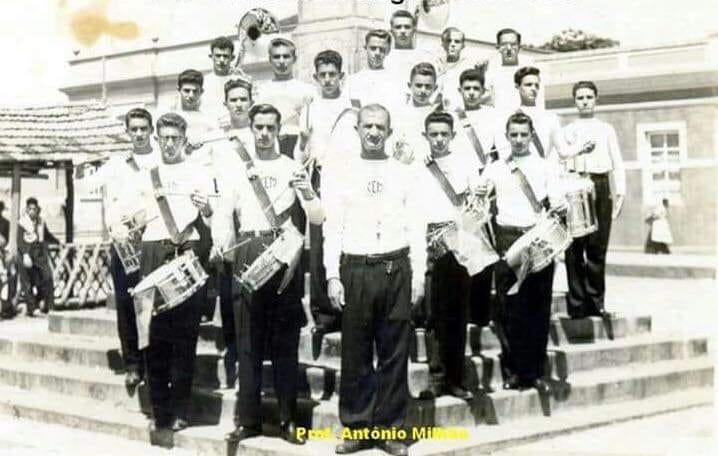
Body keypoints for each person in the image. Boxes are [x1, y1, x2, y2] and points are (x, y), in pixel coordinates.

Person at [219, 104, 324, 448]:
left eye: (270, 127)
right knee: (247, 344)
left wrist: (306, 190)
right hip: (249, 251)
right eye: (259, 127)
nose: (264, 133)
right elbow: (225, 214)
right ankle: (248, 420)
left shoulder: (292, 167)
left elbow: (317, 216)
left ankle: (288, 419)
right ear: (250, 128)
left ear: (279, 130)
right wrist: (223, 245)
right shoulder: (238, 170)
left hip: (283, 255)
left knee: (284, 345)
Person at [323, 104, 426, 456]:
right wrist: (333, 275)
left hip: (396, 268)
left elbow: (417, 226)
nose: (373, 132)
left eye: (380, 126)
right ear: (357, 130)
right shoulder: (342, 172)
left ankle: (390, 429)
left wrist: (418, 275)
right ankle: (357, 427)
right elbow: (332, 227)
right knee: (355, 353)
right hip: (357, 270)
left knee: (395, 353)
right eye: (367, 126)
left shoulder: (405, 172)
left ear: (389, 131)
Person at [129, 113, 214, 441]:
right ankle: (159, 410)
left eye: (174, 138)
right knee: (154, 336)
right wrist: (131, 221)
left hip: (186, 250)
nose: (168, 143)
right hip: (153, 251)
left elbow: (210, 213)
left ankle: (180, 409)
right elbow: (134, 217)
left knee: (184, 335)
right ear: (156, 139)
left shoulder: (198, 171)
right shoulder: (146, 175)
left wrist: (205, 207)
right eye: (162, 137)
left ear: (183, 138)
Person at [478, 112, 566, 393]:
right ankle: (514, 371)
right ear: (507, 136)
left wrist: (560, 204)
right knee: (508, 311)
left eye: (523, 134)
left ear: (531, 136)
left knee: (537, 310)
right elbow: (479, 197)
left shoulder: (545, 166)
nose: (518, 139)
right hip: (507, 240)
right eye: (513, 134)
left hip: (537, 239)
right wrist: (479, 190)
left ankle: (535, 371)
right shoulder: (496, 167)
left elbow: (557, 201)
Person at [77, 107, 159, 388]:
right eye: (133, 129)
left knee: (155, 306)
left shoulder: (162, 157)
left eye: (143, 129)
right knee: (126, 304)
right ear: (127, 132)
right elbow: (87, 183)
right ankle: (133, 364)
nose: (138, 134)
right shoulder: (116, 163)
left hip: (155, 240)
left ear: (151, 130)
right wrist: (83, 158)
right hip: (125, 244)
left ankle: (154, 364)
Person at [416, 111, 482, 400]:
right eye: (434, 134)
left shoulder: (466, 164)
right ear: (426, 136)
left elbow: (475, 205)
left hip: (460, 239)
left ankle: (456, 379)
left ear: (452, 135)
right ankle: (437, 378)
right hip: (430, 241)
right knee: (433, 314)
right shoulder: (418, 168)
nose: (439, 139)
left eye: (444, 134)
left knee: (458, 313)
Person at [296, 50, 353, 341]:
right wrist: (303, 146)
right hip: (320, 177)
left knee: (346, 241)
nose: (328, 80)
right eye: (323, 75)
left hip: (347, 177)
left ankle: (349, 308)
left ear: (341, 75)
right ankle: (324, 314)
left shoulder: (353, 106)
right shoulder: (309, 108)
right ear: (316, 77)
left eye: (333, 74)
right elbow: (301, 152)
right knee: (319, 243)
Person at [561, 81, 626, 318]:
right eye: (580, 97)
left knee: (598, 247)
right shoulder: (568, 130)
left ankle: (596, 301)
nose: (585, 101)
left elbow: (617, 162)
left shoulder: (606, 128)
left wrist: (620, 193)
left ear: (596, 99)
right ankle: (577, 303)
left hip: (600, 185)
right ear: (574, 100)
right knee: (575, 247)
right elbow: (562, 161)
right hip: (576, 185)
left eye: (589, 96)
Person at [454, 68, 504, 327]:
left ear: (483, 91)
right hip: (460, 188)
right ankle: (462, 310)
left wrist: (489, 181)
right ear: (460, 91)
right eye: (467, 89)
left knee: (485, 249)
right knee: (463, 248)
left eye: (476, 89)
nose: (472, 93)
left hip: (485, 186)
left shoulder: (492, 116)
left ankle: (481, 313)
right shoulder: (453, 117)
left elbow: (498, 154)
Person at [255, 37, 316, 159]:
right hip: (269, 146)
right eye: (276, 57)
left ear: (294, 59)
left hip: (299, 147)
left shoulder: (307, 89)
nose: (281, 61)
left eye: (286, 56)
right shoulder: (261, 91)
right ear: (270, 60)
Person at [483, 28, 545, 113]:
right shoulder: (491, 72)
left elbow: (540, 100)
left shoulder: (531, 70)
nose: (509, 48)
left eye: (513, 44)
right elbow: (486, 102)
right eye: (504, 44)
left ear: (519, 47)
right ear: (498, 47)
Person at [17, 197, 59, 316]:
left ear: (37, 210)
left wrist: (58, 242)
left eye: (34, 209)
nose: (32, 211)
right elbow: (20, 241)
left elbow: (47, 235)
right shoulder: (22, 223)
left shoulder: (40, 222)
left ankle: (50, 307)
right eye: (29, 209)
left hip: (39, 254)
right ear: (26, 210)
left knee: (47, 277)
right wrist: (25, 254)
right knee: (27, 282)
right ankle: (33, 308)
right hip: (26, 254)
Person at [345, 29, 397, 107]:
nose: (377, 53)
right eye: (373, 48)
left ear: (388, 51)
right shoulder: (354, 80)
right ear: (366, 48)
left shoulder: (394, 80)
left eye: (382, 49)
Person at [163, 69, 216, 144]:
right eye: (187, 91)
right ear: (178, 90)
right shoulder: (168, 117)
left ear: (201, 91)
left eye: (195, 91)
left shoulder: (209, 119)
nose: (191, 95)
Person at [203, 36, 237, 118]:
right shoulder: (203, 82)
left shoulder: (240, 81)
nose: (221, 60)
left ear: (232, 58)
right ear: (211, 56)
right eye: (218, 56)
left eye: (225, 56)